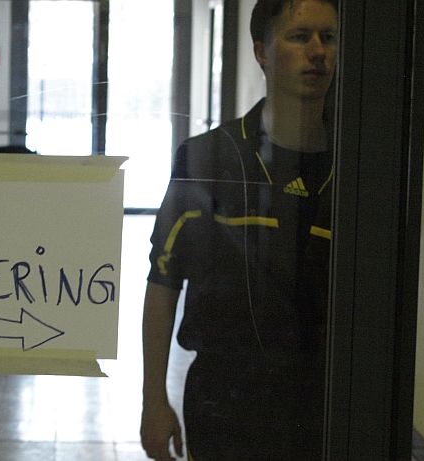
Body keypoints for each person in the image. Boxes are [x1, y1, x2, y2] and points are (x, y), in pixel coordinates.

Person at [140, 0, 338, 459]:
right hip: (225, 403)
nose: (317, 51)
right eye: (299, 36)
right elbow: (163, 281)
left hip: (325, 401)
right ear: (262, 51)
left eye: (328, 38)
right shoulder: (208, 159)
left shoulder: (358, 165)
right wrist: (153, 400)